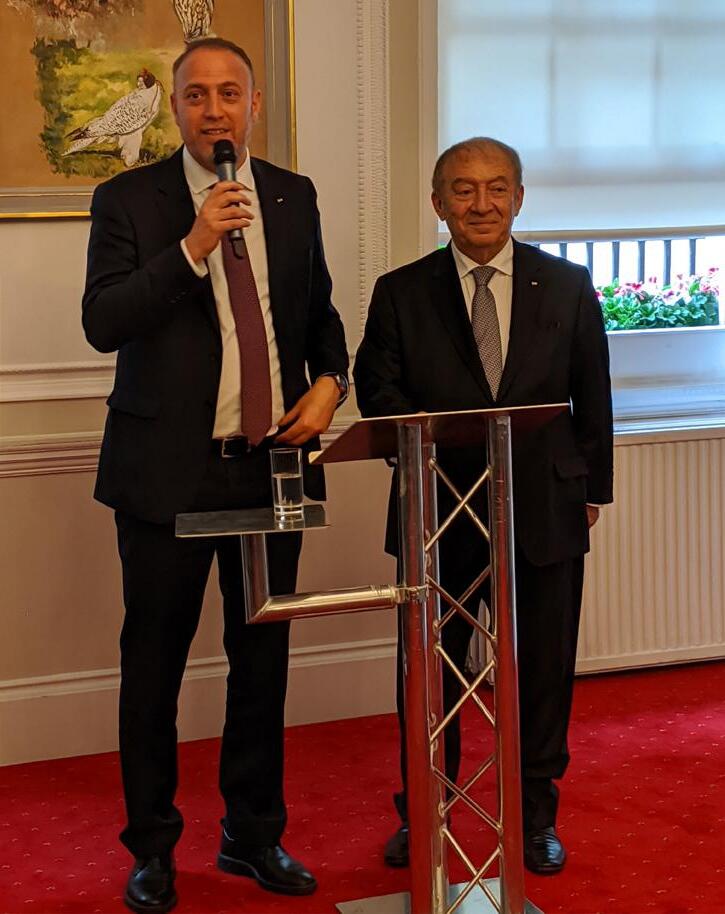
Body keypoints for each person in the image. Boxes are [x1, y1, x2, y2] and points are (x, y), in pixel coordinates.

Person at [82, 37, 349, 913]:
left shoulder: (293, 194)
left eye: (229, 93)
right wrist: (194, 244)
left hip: (269, 469)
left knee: (261, 662)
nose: (213, 109)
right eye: (195, 95)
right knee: (153, 665)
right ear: (174, 108)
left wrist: (330, 383)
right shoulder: (128, 199)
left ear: (253, 104)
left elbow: (318, 315)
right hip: (168, 474)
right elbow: (103, 321)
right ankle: (153, 848)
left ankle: (253, 835)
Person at [353, 137, 613, 875]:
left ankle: (534, 816)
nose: (481, 204)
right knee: (428, 675)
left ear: (519, 198)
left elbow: (591, 394)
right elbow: (378, 393)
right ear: (438, 203)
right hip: (437, 510)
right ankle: (425, 812)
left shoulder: (566, 285)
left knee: (544, 669)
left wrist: (592, 490)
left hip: (545, 505)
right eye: (463, 190)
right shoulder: (400, 291)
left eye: (497, 188)